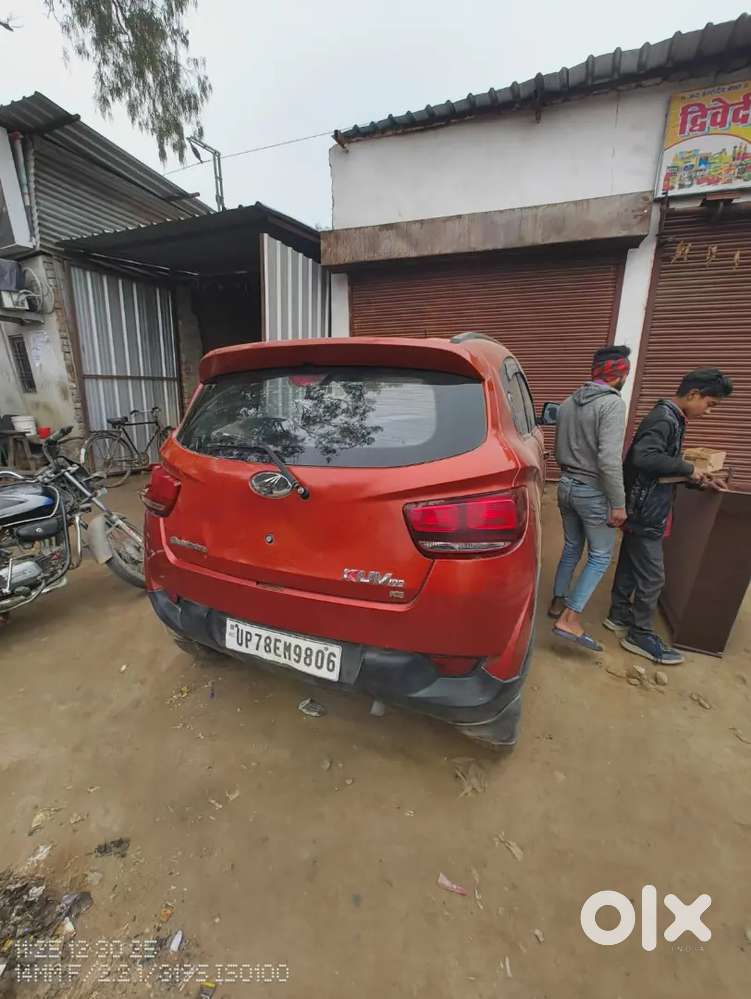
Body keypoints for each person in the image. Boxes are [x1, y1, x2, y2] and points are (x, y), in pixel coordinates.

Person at [605, 367, 733, 665]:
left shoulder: (671, 417)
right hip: (646, 509)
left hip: (641, 506)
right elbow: (645, 458)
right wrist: (690, 469)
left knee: (629, 564)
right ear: (693, 394)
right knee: (652, 576)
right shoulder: (664, 419)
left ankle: (618, 615)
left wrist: (698, 479)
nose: (709, 412)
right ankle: (639, 634)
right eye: (710, 404)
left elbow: (661, 465)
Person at [549, 345, 630, 652]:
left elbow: (558, 449)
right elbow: (609, 460)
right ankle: (569, 618)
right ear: (619, 374)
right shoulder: (612, 405)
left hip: (566, 485)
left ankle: (558, 602)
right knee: (600, 556)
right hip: (592, 490)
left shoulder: (569, 402)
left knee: (572, 546)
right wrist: (619, 504)